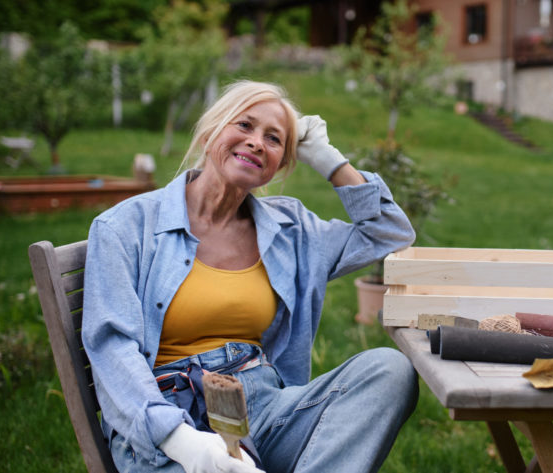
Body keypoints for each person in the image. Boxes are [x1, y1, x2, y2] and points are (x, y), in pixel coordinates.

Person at [81, 80, 419, 473]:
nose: (257, 142)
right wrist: (183, 441)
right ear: (210, 134)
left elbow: (389, 233)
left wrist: (329, 160)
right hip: (169, 415)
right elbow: (112, 347)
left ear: (280, 164)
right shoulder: (127, 226)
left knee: (390, 371)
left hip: (265, 407)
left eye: (274, 139)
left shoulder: (290, 231)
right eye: (244, 126)